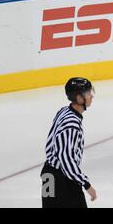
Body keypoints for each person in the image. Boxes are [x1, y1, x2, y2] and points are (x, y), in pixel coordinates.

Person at [40, 77, 97, 208]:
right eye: (88, 93)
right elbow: (66, 160)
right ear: (79, 98)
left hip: (50, 174)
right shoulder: (71, 124)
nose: (91, 96)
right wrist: (86, 184)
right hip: (60, 179)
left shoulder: (64, 110)